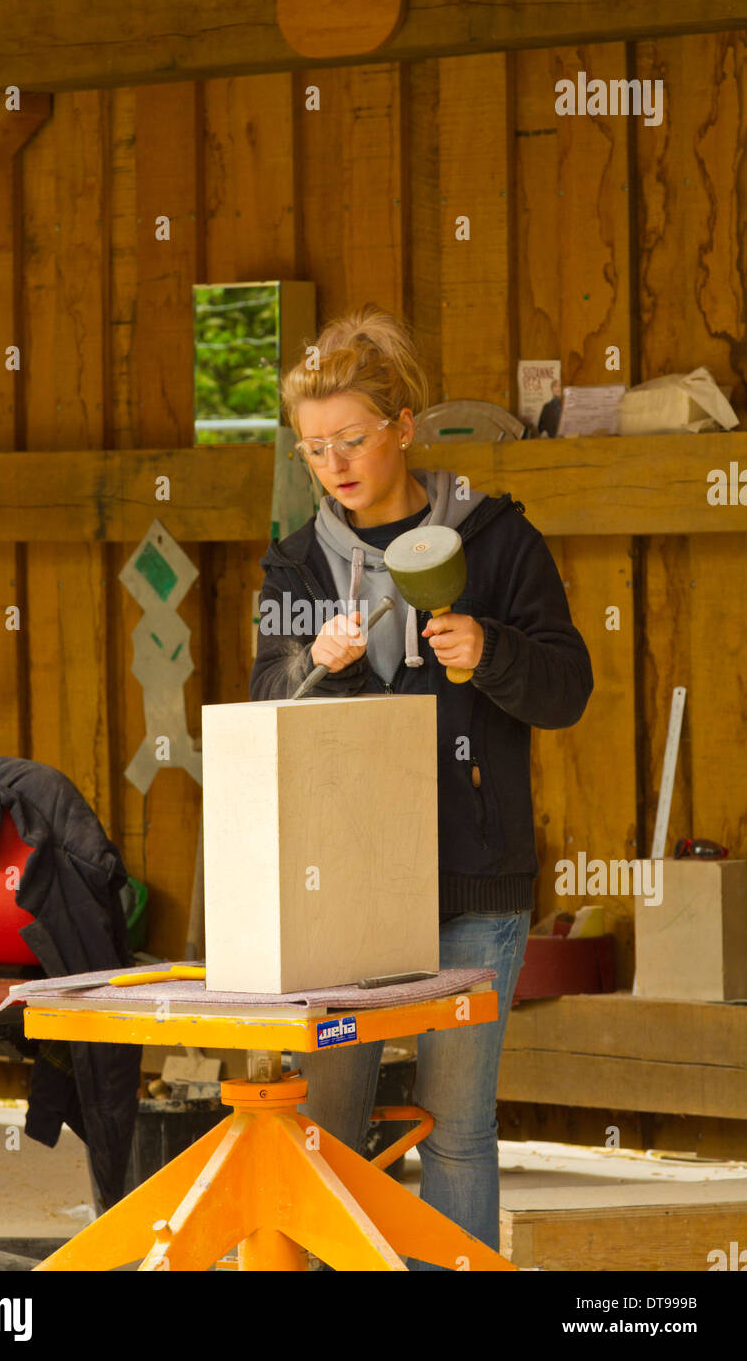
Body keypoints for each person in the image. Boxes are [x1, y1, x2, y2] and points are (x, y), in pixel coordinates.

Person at [249, 304, 593, 1269]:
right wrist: (317, 664)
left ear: (404, 425)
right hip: (341, 897)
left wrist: (491, 653)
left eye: (352, 439)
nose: (335, 465)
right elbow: (264, 703)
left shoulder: (496, 540)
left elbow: (567, 689)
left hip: (473, 883)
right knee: (326, 1126)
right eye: (315, 448)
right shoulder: (296, 561)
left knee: (456, 1131)